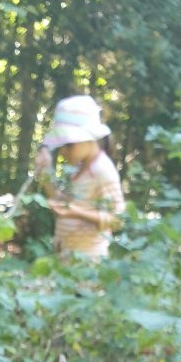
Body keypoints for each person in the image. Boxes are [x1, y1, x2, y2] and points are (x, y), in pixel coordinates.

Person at [33, 96, 125, 261]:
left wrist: (76, 213)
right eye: (61, 145)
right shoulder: (78, 169)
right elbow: (63, 203)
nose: (62, 152)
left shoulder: (103, 170)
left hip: (89, 262)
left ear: (90, 138)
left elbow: (117, 220)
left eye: (69, 145)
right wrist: (45, 173)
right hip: (68, 260)